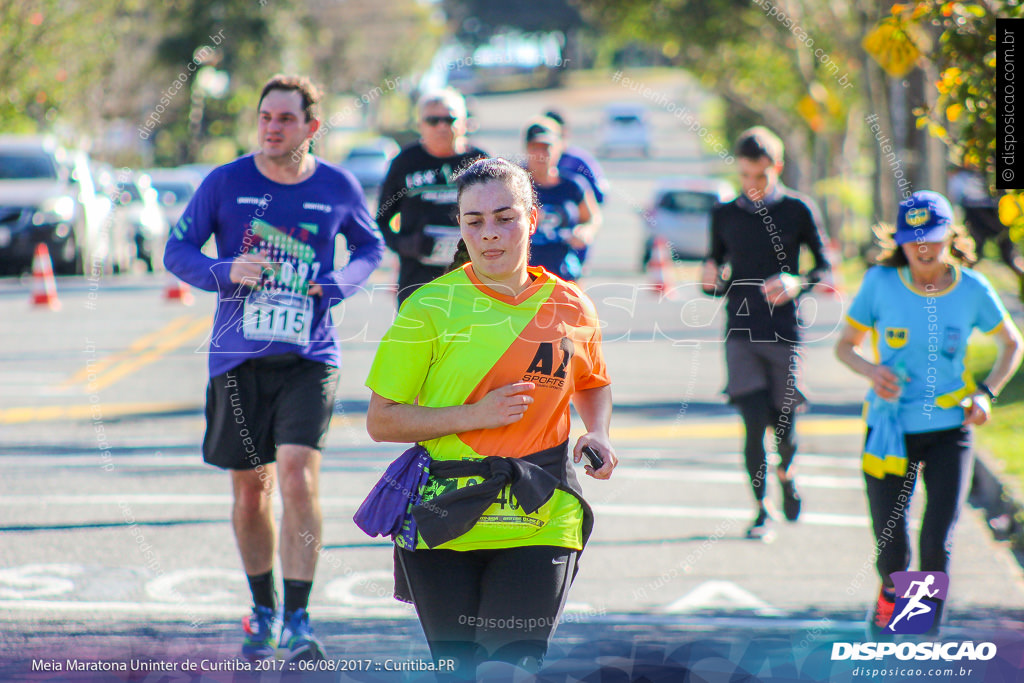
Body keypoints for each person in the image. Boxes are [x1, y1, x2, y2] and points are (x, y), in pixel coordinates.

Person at [364, 157, 617, 679]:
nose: (490, 234)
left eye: (505, 217)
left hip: (540, 511)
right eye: (474, 221)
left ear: (533, 219)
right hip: (445, 514)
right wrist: (474, 415)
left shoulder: (572, 306)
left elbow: (592, 382)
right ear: (460, 225)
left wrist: (598, 431)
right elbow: (382, 421)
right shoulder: (429, 308)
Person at [163, 74, 385, 661]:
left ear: (312, 127)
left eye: (285, 119)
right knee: (251, 491)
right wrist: (224, 270)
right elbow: (177, 250)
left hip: (310, 356)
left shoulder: (338, 186)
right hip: (238, 359)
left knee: (296, 475)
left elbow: (371, 248)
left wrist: (336, 285)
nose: (271, 128)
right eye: (265, 117)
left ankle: (300, 616)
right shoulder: (226, 181)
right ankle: (262, 607)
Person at [834, 190, 1022, 637]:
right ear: (899, 241)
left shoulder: (972, 288)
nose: (923, 249)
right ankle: (889, 591)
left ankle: (915, 631)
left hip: (949, 430)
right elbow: (845, 346)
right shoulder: (880, 284)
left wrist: (986, 394)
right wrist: (871, 369)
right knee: (892, 548)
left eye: (933, 239)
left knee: (936, 540)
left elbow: (1012, 344)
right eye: (913, 239)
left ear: (950, 237)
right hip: (890, 429)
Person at [700, 126, 831, 540]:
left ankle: (788, 473)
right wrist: (708, 280)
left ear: (776, 167)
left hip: (785, 333)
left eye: (760, 176)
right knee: (752, 424)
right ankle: (762, 509)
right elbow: (716, 274)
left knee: (785, 426)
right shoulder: (724, 214)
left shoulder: (798, 209)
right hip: (740, 330)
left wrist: (798, 281)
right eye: (745, 176)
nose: (752, 185)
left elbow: (824, 268)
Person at [376, 87, 488, 306]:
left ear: (464, 122)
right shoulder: (405, 162)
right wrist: (404, 244)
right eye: (433, 120)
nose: (442, 126)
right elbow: (381, 219)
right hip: (418, 282)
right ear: (420, 126)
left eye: (449, 119)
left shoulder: (481, 161)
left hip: (471, 282)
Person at [523, 117, 601, 282]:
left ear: (559, 148)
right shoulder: (513, 183)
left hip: (563, 274)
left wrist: (584, 232)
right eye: (535, 147)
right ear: (526, 149)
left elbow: (592, 218)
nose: (541, 154)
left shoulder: (573, 185)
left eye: (547, 147)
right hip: (522, 277)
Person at [948, 165, 1024, 299]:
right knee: (969, 257)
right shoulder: (966, 169)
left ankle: (958, 293)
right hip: (981, 211)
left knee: (1007, 257)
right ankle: (958, 294)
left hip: (992, 210)